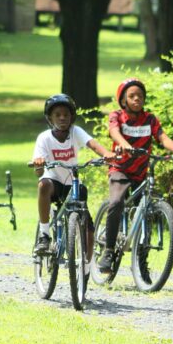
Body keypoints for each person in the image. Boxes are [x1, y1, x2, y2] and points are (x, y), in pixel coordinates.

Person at [97, 78, 173, 273]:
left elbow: (162, 137)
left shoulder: (150, 119)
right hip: (120, 169)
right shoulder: (117, 116)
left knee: (147, 212)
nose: (136, 99)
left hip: (141, 173)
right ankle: (109, 250)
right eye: (131, 96)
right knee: (116, 203)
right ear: (123, 100)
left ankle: (141, 261)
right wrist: (125, 145)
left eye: (140, 95)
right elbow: (114, 132)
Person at [32, 94, 115, 254]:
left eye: (66, 115)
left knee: (87, 224)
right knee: (43, 185)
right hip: (53, 183)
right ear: (50, 118)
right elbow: (39, 173)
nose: (62, 118)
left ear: (72, 117)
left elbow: (93, 145)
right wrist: (38, 164)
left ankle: (86, 263)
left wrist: (106, 154)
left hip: (73, 184)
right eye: (57, 115)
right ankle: (44, 235)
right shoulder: (44, 138)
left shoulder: (76, 132)